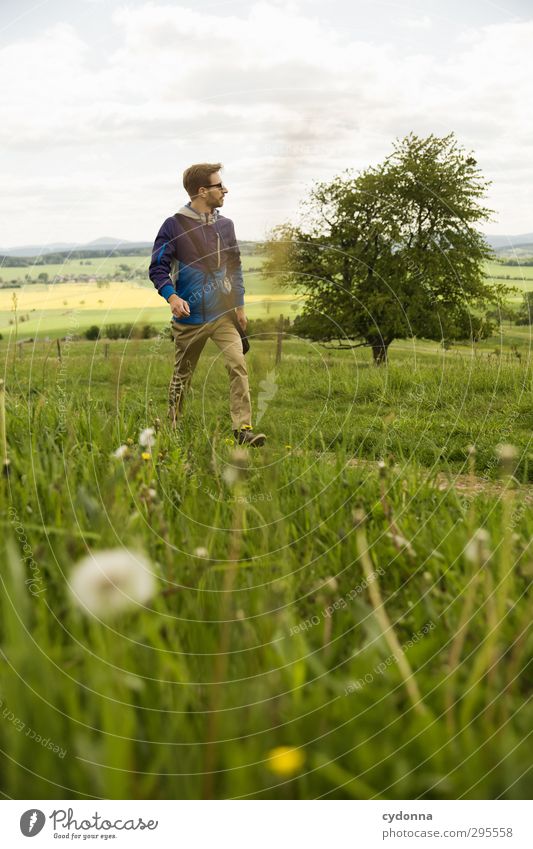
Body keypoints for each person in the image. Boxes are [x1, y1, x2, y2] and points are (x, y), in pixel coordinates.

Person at [149, 162, 267, 447]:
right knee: (183, 375)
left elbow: (235, 265)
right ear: (202, 191)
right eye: (219, 185)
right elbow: (157, 267)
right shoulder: (173, 225)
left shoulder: (226, 225)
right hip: (189, 319)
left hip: (223, 314)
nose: (225, 189)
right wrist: (172, 297)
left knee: (238, 365)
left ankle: (242, 430)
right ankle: (173, 427)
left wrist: (239, 306)